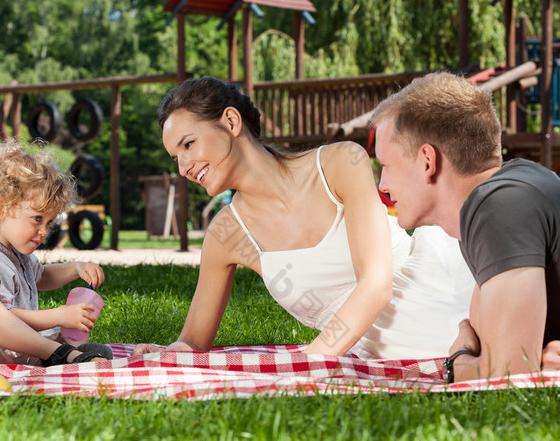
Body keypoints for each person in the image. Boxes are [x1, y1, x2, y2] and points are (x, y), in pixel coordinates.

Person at [133, 77, 475, 360]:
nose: (183, 167)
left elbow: (376, 284)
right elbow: (193, 342)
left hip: (442, 284)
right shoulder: (227, 234)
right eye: (175, 157)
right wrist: (166, 353)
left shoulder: (341, 163)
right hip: (371, 346)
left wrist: (310, 360)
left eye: (188, 144)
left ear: (231, 122)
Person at [370, 71, 560, 382]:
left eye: (387, 165)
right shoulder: (511, 192)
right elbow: (496, 347)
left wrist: (457, 361)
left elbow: (509, 374)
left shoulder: (500, 206)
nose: (383, 184)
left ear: (427, 161)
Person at [0, 139, 112, 366]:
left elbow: (42, 275)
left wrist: (76, 268)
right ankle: (61, 353)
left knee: (61, 331)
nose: (43, 232)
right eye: (37, 219)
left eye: (49, 222)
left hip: (17, 351)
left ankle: (66, 352)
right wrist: (57, 316)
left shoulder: (14, 250)